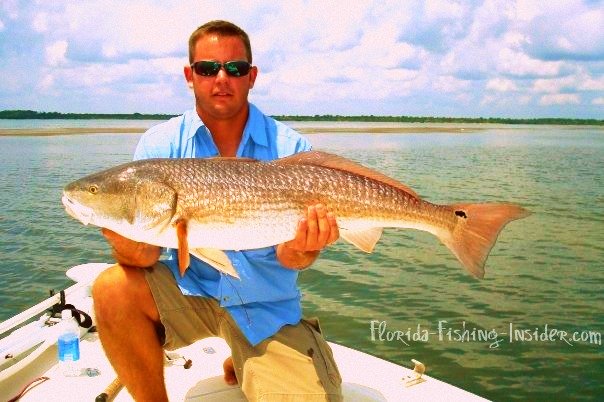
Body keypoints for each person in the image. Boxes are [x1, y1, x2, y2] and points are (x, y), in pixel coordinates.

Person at [92, 20, 343, 402]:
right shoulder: (158, 147)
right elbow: (142, 256)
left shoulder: (290, 147)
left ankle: (248, 354)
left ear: (252, 76)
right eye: (208, 68)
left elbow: (291, 257)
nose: (221, 78)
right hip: (189, 295)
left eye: (235, 68)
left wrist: (306, 248)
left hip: (267, 310)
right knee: (111, 287)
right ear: (190, 76)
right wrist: (115, 225)